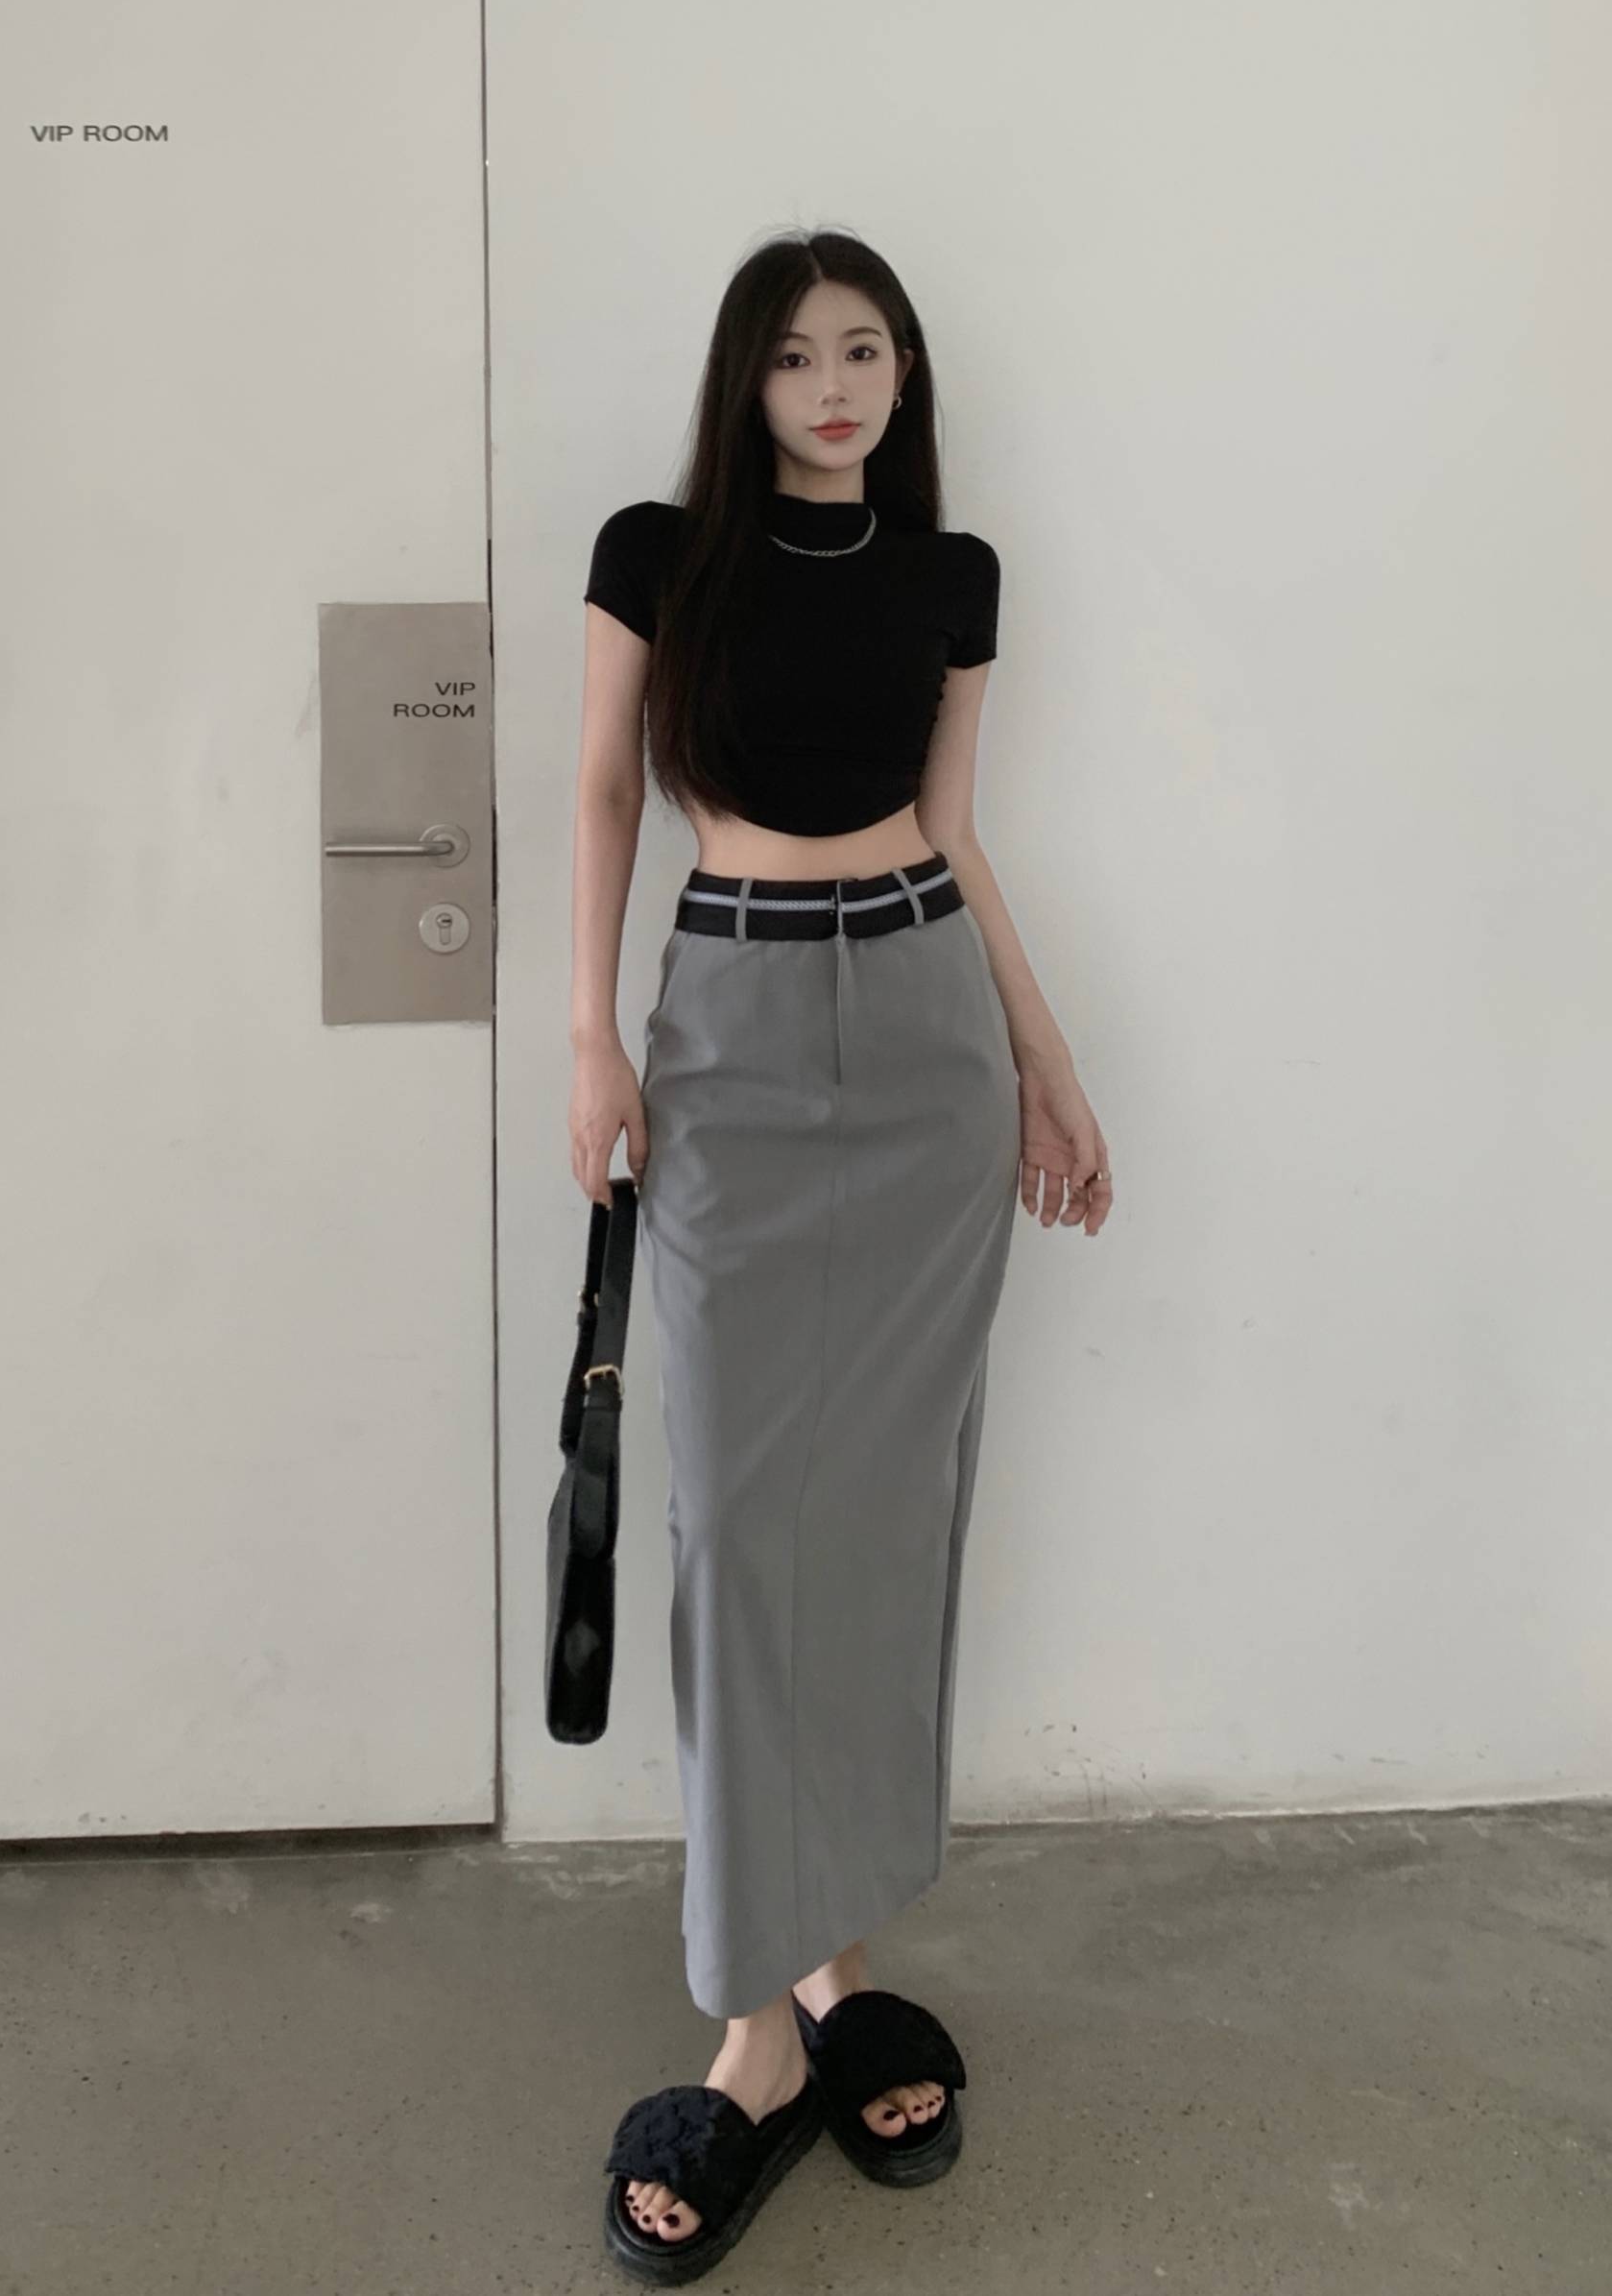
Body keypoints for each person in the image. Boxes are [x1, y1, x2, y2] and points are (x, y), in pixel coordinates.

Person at [569, 228, 1113, 2282]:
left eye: (865, 347)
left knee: (879, 1526)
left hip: (920, 1038)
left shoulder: (950, 575)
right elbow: (605, 791)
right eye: (796, 352)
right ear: (748, 377)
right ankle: (757, 2015)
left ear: (904, 373)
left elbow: (955, 830)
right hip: (727, 1016)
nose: (833, 382)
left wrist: (1045, 1065)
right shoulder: (658, 556)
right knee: (737, 1529)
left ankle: (832, 1965)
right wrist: (590, 1039)